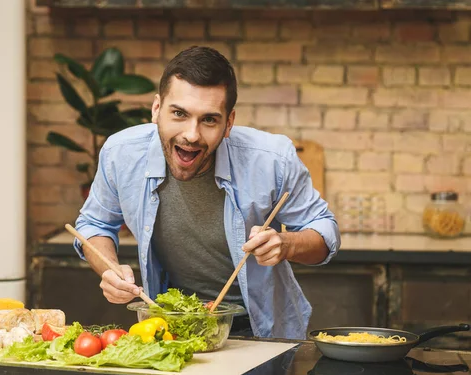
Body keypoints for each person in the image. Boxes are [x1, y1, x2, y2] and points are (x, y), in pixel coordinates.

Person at [73, 45, 341, 340]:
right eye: (179, 113)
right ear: (156, 109)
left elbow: (325, 231)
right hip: (171, 327)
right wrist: (109, 269)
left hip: (264, 331)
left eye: (209, 119)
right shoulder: (120, 153)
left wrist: (286, 244)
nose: (191, 135)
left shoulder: (272, 158)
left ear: (229, 123)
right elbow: (94, 224)